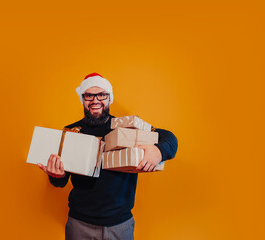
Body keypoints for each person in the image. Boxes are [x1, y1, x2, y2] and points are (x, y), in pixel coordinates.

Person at [38, 73, 178, 240]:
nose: (95, 100)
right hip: (79, 224)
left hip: (120, 225)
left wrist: (159, 151)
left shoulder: (127, 128)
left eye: (101, 94)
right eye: (89, 95)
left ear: (109, 98)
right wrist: (56, 176)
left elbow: (170, 138)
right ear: (83, 99)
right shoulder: (71, 131)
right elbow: (61, 181)